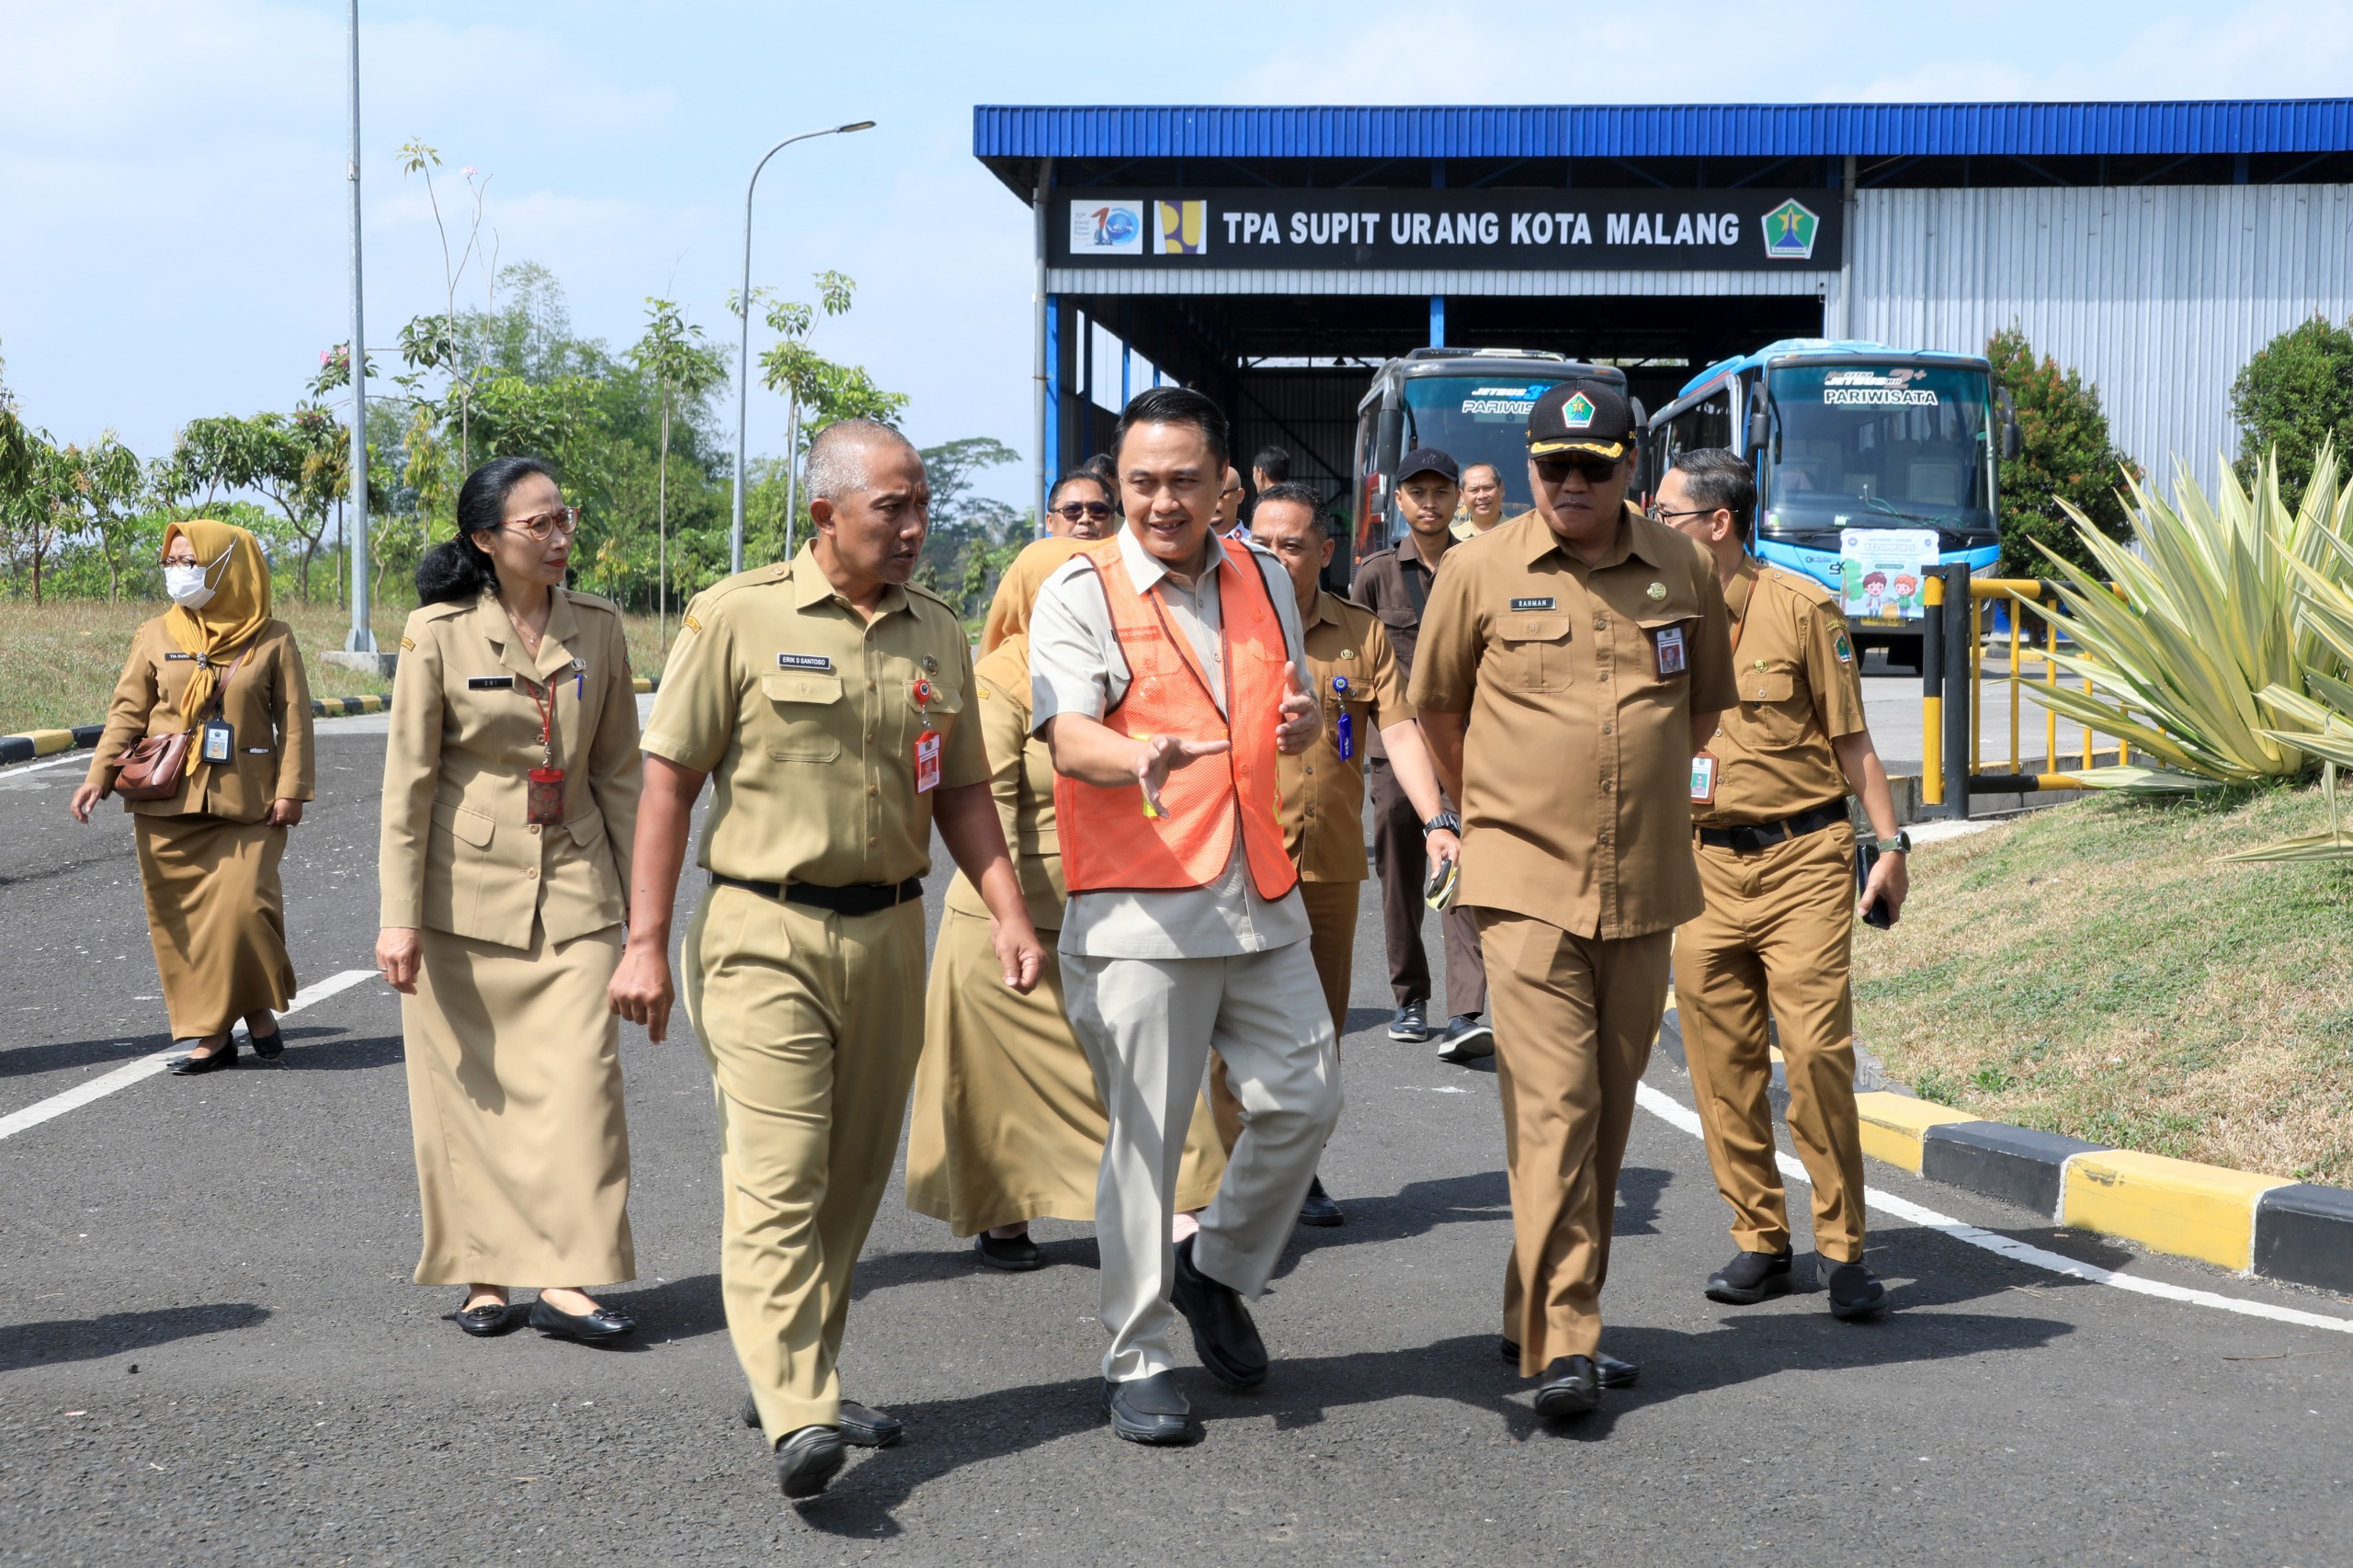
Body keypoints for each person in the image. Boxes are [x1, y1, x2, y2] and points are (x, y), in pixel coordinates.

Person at [610, 420, 1045, 1503]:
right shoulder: (739, 615)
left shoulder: (938, 633)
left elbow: (960, 793)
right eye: (889, 507)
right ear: (825, 515)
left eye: (920, 505)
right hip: (763, 931)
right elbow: (666, 781)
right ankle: (801, 1406)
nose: (913, 526)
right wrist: (642, 943)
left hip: (892, 930)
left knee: (852, 1177)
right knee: (779, 1167)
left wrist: (1009, 913)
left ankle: (794, 1367)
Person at [1412, 383, 1735, 1420]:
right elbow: (1436, 709)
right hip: (1523, 881)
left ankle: (1532, 1309)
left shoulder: (1679, 565)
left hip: (1644, 883)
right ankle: (1565, 1341)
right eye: (1552, 465)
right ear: (1530, 463)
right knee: (1554, 1109)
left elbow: (1698, 712)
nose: (1570, 483)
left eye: (1592, 465)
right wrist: (1489, 810)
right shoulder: (1477, 568)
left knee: (1600, 1117)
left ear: (1629, 465)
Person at [1029, 385, 1337, 1448]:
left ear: (1224, 485)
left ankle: (1215, 1271)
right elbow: (1067, 735)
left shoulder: (1262, 573)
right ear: (1118, 486)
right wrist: (1135, 757)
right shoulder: (1081, 588)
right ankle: (1140, 1354)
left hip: (1259, 886)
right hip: (1140, 904)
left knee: (1305, 1097)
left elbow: (1294, 710)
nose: (1162, 501)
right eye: (1141, 482)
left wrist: (1304, 721)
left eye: (1182, 481)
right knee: (1145, 1149)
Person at [372, 458, 642, 1345]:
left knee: (582, 1086)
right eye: (540, 525)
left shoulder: (600, 630)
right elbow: (408, 785)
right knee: (472, 1091)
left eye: (566, 519)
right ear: (486, 540)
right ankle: (484, 1270)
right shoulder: (437, 633)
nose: (560, 537)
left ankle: (568, 1278)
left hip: (576, 881)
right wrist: (397, 916)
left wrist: (647, 918)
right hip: (463, 895)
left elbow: (619, 776)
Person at [905, 535, 1230, 1267]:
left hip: (1113, 906)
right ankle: (1011, 1218)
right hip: (1012, 916)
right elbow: (983, 800)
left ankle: (1177, 1218)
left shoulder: (1127, 669)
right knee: (1001, 1093)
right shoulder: (999, 679)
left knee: (1144, 1075)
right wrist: (1010, 918)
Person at [1654, 448, 1907, 1320]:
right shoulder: (1657, 619)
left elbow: (1854, 742)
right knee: (1720, 1064)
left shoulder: (1803, 609)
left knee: (1815, 1057)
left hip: (1803, 859)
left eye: (1666, 515)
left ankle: (1843, 1249)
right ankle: (1761, 1239)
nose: (1651, 529)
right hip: (1703, 867)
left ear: (1715, 523)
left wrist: (1890, 845)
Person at [1226, 482, 1461, 1228]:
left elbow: (1398, 732)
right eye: (1258, 542)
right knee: (1222, 1030)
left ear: (1325, 554)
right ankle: (1226, 1177)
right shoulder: (1211, 627)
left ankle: (1298, 1170)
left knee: (1317, 1034)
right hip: (1225, 863)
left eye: (1290, 544)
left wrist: (1438, 821)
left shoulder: (1358, 634)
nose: (1271, 556)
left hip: (1323, 864)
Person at [71, 519, 313, 1074]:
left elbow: (294, 721)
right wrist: (97, 775)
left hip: (249, 803)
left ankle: (253, 1012)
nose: (178, 573)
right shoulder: (156, 634)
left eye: (190, 562)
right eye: (171, 562)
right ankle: (217, 1033)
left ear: (228, 566)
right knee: (185, 925)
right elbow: (127, 711)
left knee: (243, 910)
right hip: (166, 803)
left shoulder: (273, 636)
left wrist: (292, 789)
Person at [1350, 447, 1492, 1062]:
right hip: (1393, 751)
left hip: (1467, 746)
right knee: (1399, 876)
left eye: (1441, 492)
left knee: (1464, 868)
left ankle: (1466, 1012)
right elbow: (1352, 670)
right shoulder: (1377, 575)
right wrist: (1345, 750)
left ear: (1458, 497)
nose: (1429, 504)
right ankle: (1410, 995)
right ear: (1399, 502)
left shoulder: (1483, 565)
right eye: (1418, 494)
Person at [1044, 468, 1116, 541]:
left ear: (1113, 522)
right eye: (1072, 510)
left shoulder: (1126, 552)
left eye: (1097, 510)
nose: (1085, 519)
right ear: (1050, 522)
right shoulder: (1033, 552)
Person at [1453, 462, 1510, 540]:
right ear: (1461, 496)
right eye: (1474, 490)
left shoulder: (1520, 531)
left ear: (1501, 489)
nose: (1481, 496)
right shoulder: (1451, 537)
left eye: (1487, 488)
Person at [1214, 464, 1248, 537]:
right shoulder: (1190, 545)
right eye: (1207, 495)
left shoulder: (1253, 545)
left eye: (1220, 494)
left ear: (1239, 495)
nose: (1212, 502)